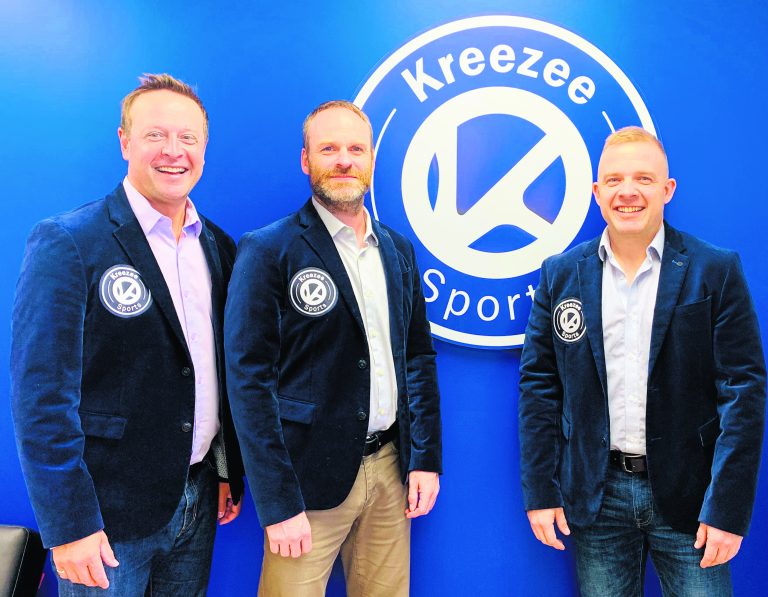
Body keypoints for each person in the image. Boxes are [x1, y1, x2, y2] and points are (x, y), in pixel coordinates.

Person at [10, 73, 244, 595]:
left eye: (187, 138)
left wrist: (224, 466)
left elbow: (214, 371)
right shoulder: (70, 242)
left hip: (197, 500)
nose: (173, 151)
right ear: (124, 141)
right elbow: (41, 398)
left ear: (204, 148)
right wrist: (70, 524)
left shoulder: (218, 247)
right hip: (104, 518)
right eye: (155, 135)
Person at [518, 126, 766, 596]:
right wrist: (541, 490)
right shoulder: (561, 275)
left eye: (643, 179)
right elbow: (539, 388)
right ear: (597, 192)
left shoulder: (715, 270)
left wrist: (727, 508)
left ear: (667, 190)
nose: (627, 191)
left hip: (693, 498)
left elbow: (744, 392)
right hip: (597, 498)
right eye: (614, 180)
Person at [224, 100, 442, 596]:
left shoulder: (397, 250)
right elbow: (249, 381)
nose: (344, 160)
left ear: (371, 159)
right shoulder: (269, 250)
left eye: (356, 149)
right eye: (329, 149)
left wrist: (424, 457)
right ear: (306, 160)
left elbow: (417, 357)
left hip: (390, 471)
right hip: (305, 485)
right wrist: (277, 502)